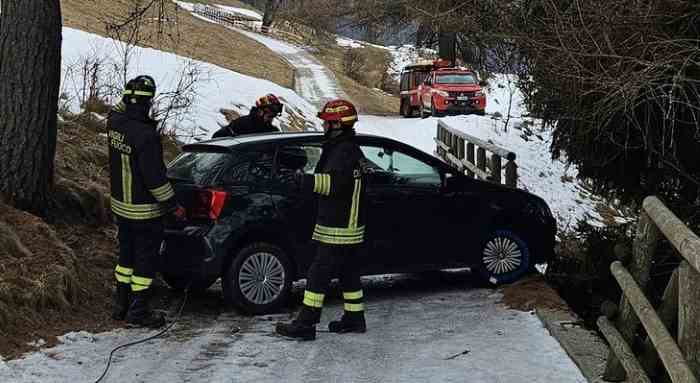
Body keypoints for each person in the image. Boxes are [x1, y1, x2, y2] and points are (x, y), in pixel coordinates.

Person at [275, 99, 368, 341]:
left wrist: (303, 180)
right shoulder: (347, 148)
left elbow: (335, 184)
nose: (323, 126)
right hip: (349, 224)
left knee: (318, 273)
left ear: (337, 124)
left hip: (338, 225)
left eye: (326, 122)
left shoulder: (342, 151)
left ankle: (306, 324)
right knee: (348, 271)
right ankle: (355, 318)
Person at [107, 75, 183, 328]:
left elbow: (117, 107)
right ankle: (138, 311)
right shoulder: (146, 135)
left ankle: (120, 304)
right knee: (144, 261)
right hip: (144, 211)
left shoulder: (115, 123)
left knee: (125, 257)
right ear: (149, 102)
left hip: (120, 207)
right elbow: (155, 181)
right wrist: (173, 205)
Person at [212, 93, 283, 138]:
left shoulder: (272, 132)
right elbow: (217, 138)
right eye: (269, 116)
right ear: (260, 111)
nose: (271, 119)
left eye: (273, 116)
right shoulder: (241, 124)